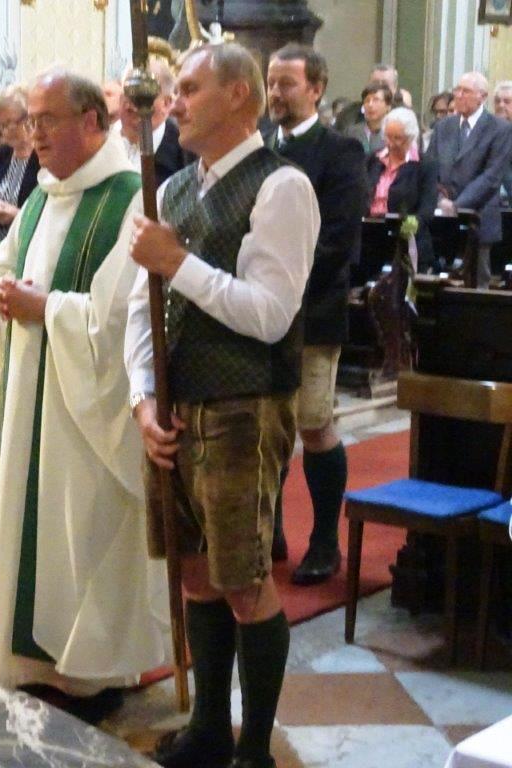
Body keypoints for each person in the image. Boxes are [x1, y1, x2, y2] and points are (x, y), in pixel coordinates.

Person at [127, 43, 318, 768]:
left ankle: (254, 748)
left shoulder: (281, 186)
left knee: (242, 580)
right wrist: (143, 398)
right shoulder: (173, 189)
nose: (173, 102)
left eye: (189, 88)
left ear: (239, 95)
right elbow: (139, 308)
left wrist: (177, 263)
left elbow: (269, 315)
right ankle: (209, 727)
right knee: (195, 574)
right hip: (177, 408)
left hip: (244, 405)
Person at [0, 68, 164, 723]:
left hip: (87, 408)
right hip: (31, 392)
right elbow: (4, 263)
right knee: (34, 526)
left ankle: (92, 674)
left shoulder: (131, 199)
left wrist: (45, 307)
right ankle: (33, 664)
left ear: (92, 121)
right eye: (30, 120)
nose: (34, 134)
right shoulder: (41, 197)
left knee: (82, 527)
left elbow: (123, 317)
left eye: (47, 119)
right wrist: (3, 292)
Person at [264, 44, 366, 584]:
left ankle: (325, 541)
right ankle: (271, 531)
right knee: (269, 426)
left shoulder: (339, 151)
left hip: (313, 312)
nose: (275, 93)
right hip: (260, 314)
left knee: (313, 423)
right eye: (271, 83)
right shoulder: (262, 147)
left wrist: (280, 288)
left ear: (317, 88)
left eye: (287, 83)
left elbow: (338, 239)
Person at [425, 71, 512, 287]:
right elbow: (430, 167)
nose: (459, 95)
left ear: (482, 96)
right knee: (441, 283)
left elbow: (492, 176)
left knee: (476, 287)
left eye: (466, 91)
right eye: (458, 90)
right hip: (443, 219)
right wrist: (440, 200)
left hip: (479, 219)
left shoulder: (499, 129)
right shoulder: (444, 127)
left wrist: (457, 205)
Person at [367, 107, 438, 272]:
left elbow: (427, 209)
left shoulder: (425, 164)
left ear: (411, 138)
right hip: (372, 237)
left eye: (397, 138)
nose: (390, 143)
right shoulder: (373, 159)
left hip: (407, 242)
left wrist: (408, 229)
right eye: (387, 136)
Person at [118, 57, 190, 185]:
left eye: (141, 97)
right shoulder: (104, 140)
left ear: (167, 103)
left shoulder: (185, 152)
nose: (130, 105)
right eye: (126, 94)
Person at [0, 89, 40, 239]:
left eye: (10, 124)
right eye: (0, 125)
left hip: (29, 240)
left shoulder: (44, 158)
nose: (5, 132)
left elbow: (50, 214)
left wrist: (17, 215)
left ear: (29, 119)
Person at [346, 81, 392, 155]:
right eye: (367, 101)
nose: (370, 105)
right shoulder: (351, 132)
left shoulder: (393, 134)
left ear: (388, 106)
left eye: (376, 100)